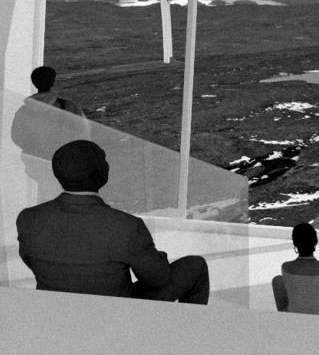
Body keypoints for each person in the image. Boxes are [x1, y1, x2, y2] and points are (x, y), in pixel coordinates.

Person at [16, 140, 210, 304]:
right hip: (115, 315)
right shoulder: (126, 226)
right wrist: (159, 256)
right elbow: (158, 279)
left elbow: (30, 260)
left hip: (55, 310)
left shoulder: (28, 219)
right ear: (101, 173)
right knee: (195, 266)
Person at [11, 66, 91, 203]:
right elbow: (84, 135)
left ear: (34, 82)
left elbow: (16, 137)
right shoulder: (68, 107)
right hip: (63, 164)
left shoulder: (24, 110)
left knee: (44, 194)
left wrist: (34, 148)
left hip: (35, 164)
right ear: (53, 81)